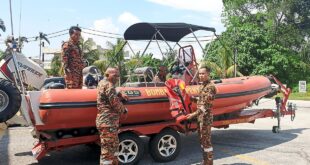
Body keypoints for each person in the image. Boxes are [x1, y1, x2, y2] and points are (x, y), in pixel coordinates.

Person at [96, 67, 128, 165]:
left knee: (113, 148)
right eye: (115, 75)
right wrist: (124, 110)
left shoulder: (102, 83)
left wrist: (119, 92)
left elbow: (111, 91)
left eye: (118, 75)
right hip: (108, 123)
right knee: (108, 152)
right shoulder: (109, 85)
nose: (117, 77)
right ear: (107, 75)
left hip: (107, 123)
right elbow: (114, 103)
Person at [186, 65, 216, 165]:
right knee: (202, 140)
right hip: (200, 118)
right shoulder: (202, 86)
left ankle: (209, 163)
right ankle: (205, 162)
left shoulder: (210, 87)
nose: (201, 75)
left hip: (206, 118)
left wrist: (193, 115)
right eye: (199, 74)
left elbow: (206, 105)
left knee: (206, 141)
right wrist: (191, 98)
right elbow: (201, 100)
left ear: (208, 74)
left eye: (203, 73)